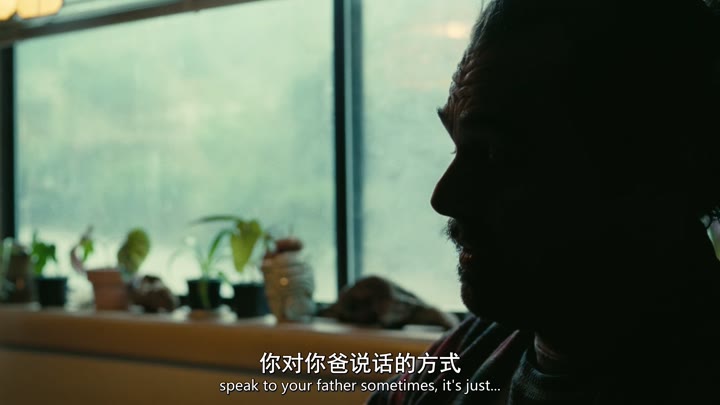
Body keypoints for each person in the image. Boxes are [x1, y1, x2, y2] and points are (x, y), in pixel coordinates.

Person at [367, 0, 720, 404]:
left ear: (652, 167)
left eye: (496, 154)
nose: (444, 197)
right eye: (457, 147)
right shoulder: (472, 349)